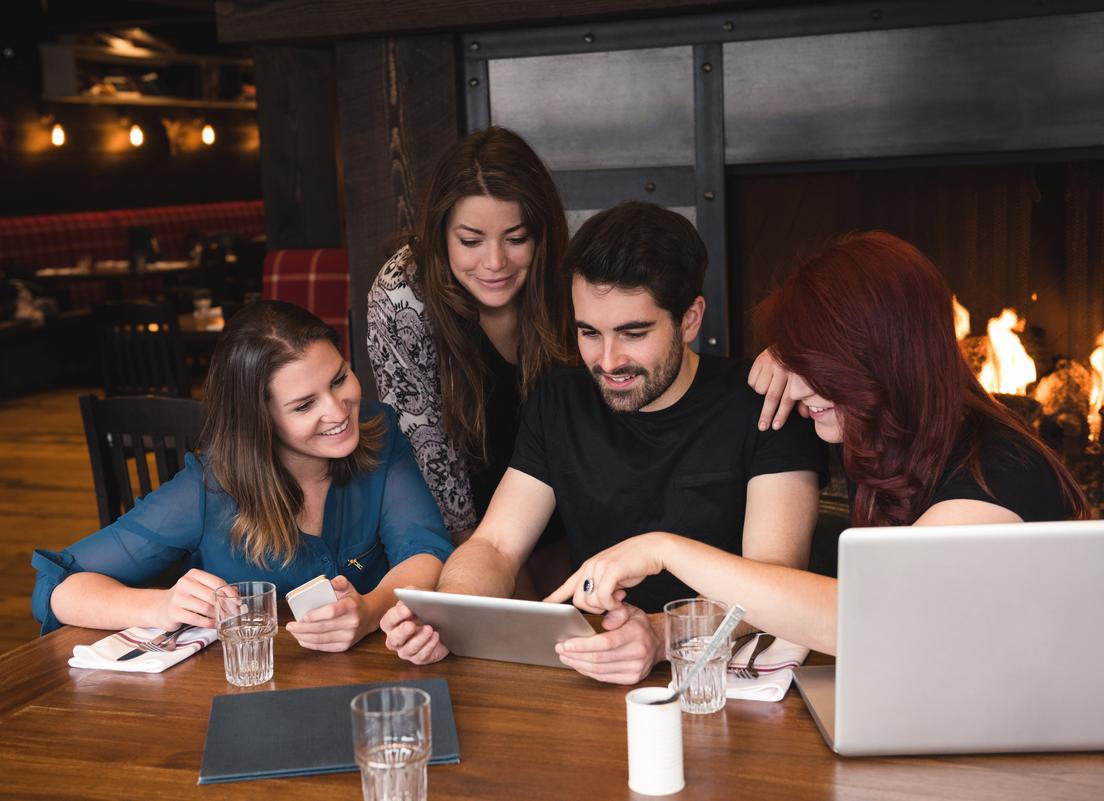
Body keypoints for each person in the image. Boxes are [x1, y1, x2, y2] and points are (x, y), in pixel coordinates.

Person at [548, 231, 1089, 655]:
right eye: (792, 361)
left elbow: (863, 620)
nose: (797, 388)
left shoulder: (998, 472)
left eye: (815, 365)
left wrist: (661, 548)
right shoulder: (896, 438)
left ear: (879, 359)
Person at [380, 202, 829, 684]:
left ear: (691, 318)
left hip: (721, 679)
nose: (609, 361)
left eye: (633, 333)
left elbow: (776, 584)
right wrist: (451, 613)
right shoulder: (559, 400)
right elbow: (495, 545)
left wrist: (661, 635)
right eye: (589, 333)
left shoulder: (763, 404)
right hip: (592, 669)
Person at [31, 301, 453, 652]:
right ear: (259, 421)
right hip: (245, 693)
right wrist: (160, 606)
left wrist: (369, 610)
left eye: (339, 378)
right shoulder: (207, 489)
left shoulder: (378, 432)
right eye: (305, 405)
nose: (340, 412)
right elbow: (60, 587)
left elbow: (424, 549)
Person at [366, 127, 573, 577]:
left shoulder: (565, 277)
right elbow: (428, 451)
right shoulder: (403, 294)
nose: (495, 262)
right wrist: (485, 575)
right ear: (440, 233)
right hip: (464, 533)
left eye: (516, 238)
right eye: (471, 240)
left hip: (567, 509)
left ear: (542, 234)